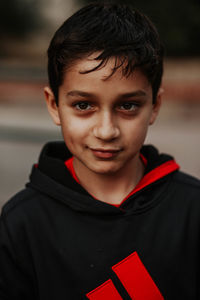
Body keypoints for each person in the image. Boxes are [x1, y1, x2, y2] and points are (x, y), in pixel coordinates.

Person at [0, 2, 200, 300]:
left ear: (155, 106)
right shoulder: (21, 224)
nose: (106, 131)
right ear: (54, 105)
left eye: (128, 105)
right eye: (83, 105)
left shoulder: (192, 210)